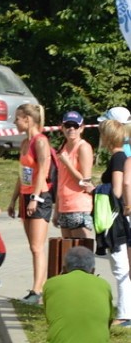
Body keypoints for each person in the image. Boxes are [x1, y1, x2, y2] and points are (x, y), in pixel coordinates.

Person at [7, 103, 53, 305]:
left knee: (37, 247)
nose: (14, 122)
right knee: (32, 246)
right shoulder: (25, 143)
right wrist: (14, 199)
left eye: (17, 118)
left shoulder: (40, 141)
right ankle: (36, 288)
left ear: (27, 119)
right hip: (26, 195)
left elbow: (42, 170)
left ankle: (38, 290)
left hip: (39, 195)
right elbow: (23, 174)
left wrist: (35, 197)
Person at [95, 119, 131, 326]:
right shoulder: (120, 156)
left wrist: (96, 189)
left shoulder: (118, 158)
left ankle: (124, 312)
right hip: (119, 215)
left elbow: (117, 190)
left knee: (120, 265)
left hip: (115, 217)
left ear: (107, 137)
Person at [53, 110, 94, 239]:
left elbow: (85, 182)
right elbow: (61, 181)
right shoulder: (64, 148)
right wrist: (57, 210)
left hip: (79, 205)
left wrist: (68, 164)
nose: (71, 129)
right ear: (62, 127)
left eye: (75, 126)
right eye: (68, 125)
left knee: (81, 253)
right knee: (68, 253)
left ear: (81, 128)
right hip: (65, 206)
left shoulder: (83, 147)